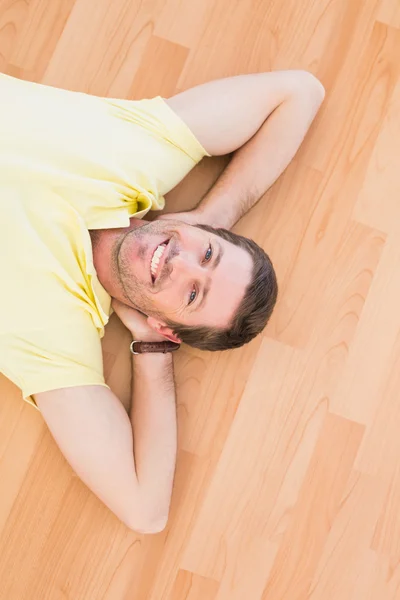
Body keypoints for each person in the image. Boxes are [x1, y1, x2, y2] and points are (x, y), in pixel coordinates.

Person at [0, 70, 325, 533]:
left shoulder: (55, 334)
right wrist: (216, 214)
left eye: (193, 293)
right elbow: (300, 92)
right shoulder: (137, 153)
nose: (181, 261)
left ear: (166, 324)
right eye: (208, 252)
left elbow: (146, 510)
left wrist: (153, 350)